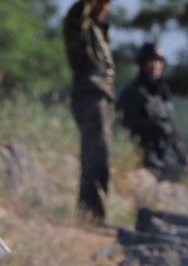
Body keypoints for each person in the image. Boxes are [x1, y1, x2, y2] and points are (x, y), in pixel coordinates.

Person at [63, 0, 114, 224]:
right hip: (88, 94)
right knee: (94, 154)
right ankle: (91, 214)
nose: (105, 7)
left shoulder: (98, 30)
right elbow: (80, 8)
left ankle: (94, 213)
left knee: (101, 156)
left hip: (101, 97)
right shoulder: (78, 24)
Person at [117, 43, 188, 183]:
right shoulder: (132, 93)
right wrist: (152, 126)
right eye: (150, 61)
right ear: (142, 63)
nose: (154, 66)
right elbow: (124, 125)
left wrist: (183, 156)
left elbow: (171, 129)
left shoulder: (163, 96)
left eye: (158, 62)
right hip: (143, 160)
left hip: (166, 162)